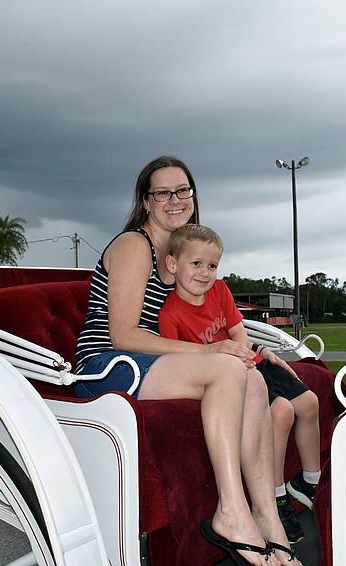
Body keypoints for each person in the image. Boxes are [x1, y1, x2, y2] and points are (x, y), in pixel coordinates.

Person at [74, 156, 300, 565]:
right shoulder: (133, 245)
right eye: (163, 193)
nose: (174, 200)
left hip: (145, 363)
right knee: (230, 368)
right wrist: (211, 352)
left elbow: (201, 322)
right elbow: (122, 335)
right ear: (146, 202)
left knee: (252, 375)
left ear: (193, 197)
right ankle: (231, 511)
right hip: (106, 367)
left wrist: (249, 349)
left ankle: (268, 516)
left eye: (183, 191)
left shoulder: (182, 252)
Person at [157, 224, 321, 545]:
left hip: (249, 362)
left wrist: (253, 354)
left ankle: (309, 481)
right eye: (196, 264)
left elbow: (237, 331)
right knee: (283, 412)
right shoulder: (170, 314)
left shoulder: (219, 291)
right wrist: (240, 366)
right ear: (173, 264)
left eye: (213, 265)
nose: (205, 273)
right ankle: (275, 499)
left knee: (309, 403)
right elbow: (180, 362)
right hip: (228, 377)